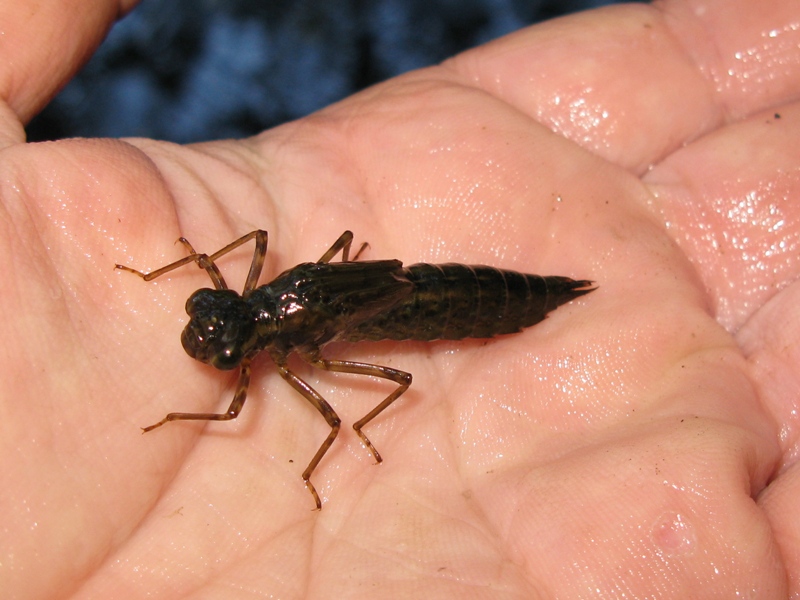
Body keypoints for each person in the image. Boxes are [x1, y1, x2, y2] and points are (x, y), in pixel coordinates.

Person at [2, 0, 798, 596]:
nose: (216, 331)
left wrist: (199, 393)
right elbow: (249, 259)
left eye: (222, 334)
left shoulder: (267, 342)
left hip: (432, 303)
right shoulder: (255, 296)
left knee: (395, 379)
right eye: (216, 328)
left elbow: (244, 369)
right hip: (387, 289)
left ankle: (553, 292)